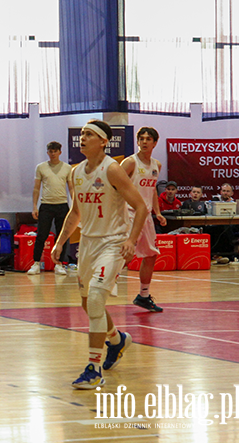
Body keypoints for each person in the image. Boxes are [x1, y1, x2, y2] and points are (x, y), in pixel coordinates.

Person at [50, 120, 147, 390]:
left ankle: (93, 368)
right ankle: (116, 340)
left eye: (89, 134)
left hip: (113, 243)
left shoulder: (112, 170)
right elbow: (76, 212)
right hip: (89, 245)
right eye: (81, 134)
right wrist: (60, 243)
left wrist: (131, 239)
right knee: (87, 304)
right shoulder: (75, 172)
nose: (82, 138)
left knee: (94, 300)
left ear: (103, 141)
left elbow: (140, 207)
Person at [120, 127, 168, 313]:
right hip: (130, 213)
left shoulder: (157, 165)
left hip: (146, 215)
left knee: (150, 255)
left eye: (149, 139)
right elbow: (115, 187)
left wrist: (158, 212)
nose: (145, 141)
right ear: (137, 141)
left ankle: (144, 296)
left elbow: (153, 191)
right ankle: (99, 288)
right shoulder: (130, 163)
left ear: (155, 143)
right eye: (142, 138)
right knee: (124, 255)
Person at [28, 141, 71, 276]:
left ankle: (59, 264)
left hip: (62, 205)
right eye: (50, 151)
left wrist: (75, 204)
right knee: (42, 235)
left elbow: (71, 188)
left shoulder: (67, 168)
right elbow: (36, 188)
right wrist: (34, 206)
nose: (53, 154)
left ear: (60, 152)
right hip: (46, 205)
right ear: (48, 152)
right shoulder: (41, 167)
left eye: (55, 151)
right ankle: (36, 263)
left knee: (62, 235)